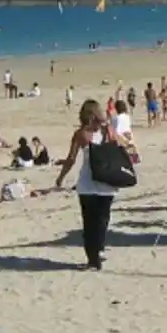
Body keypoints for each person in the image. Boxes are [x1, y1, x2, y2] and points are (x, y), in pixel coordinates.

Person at [54, 99, 122, 270]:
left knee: (89, 221)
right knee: (103, 219)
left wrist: (61, 177)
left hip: (87, 183)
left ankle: (93, 258)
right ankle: (98, 251)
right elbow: (117, 151)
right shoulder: (109, 131)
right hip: (107, 182)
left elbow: (70, 159)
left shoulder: (81, 134)